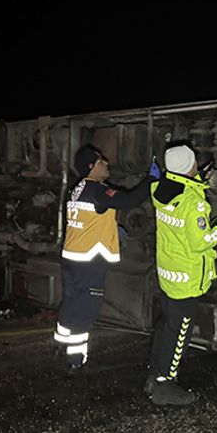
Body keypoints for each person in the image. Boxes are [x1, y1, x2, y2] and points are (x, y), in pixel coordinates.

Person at [53, 144, 161, 373]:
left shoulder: (78, 188)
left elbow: (90, 219)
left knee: (71, 301)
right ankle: (76, 360)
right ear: (92, 167)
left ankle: (62, 339)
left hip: (72, 256)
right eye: (102, 161)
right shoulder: (98, 192)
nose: (107, 164)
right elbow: (128, 201)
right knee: (86, 309)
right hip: (89, 261)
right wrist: (151, 181)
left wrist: (112, 230)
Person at [144, 144, 217, 405]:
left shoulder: (161, 190)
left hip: (169, 273)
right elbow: (200, 242)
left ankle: (155, 376)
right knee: (179, 335)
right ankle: (165, 386)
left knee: (167, 328)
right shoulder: (193, 202)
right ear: (190, 166)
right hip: (187, 278)